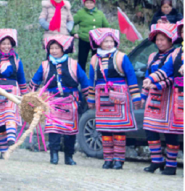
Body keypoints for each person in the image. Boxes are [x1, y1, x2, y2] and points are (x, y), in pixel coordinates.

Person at [29, 34, 90, 166]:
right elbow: (35, 81)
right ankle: (54, 155)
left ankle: (69, 156)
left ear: (63, 49)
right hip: (51, 101)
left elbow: (84, 81)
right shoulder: (45, 65)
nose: (54, 51)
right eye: (51, 48)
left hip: (70, 100)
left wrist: (88, 98)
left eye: (57, 48)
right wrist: (30, 96)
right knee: (53, 130)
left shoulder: (73, 64)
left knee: (70, 132)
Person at [87, 28, 142, 169]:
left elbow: (131, 76)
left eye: (111, 41)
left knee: (118, 129)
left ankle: (119, 159)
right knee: (105, 129)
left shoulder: (121, 57)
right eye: (106, 41)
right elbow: (91, 80)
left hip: (119, 96)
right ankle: (108, 159)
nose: (109, 44)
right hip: (102, 96)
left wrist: (136, 97)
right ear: (99, 43)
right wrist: (91, 98)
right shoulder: (94, 59)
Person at [141, 22, 181, 175]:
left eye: (163, 39)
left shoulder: (176, 54)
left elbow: (173, 76)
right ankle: (156, 160)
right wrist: (143, 95)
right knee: (150, 130)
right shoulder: (152, 56)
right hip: (153, 98)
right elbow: (147, 75)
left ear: (171, 40)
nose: (159, 42)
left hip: (170, 97)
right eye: (157, 39)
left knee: (170, 132)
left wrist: (157, 84)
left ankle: (171, 165)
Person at [0, 29, 28, 158]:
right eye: (4, 44)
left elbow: (21, 78)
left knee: (10, 115)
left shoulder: (16, 59)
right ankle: (4, 151)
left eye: (9, 44)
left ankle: (11, 138)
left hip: (12, 92)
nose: (6, 46)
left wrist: (25, 95)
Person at [72, 0, 109, 72]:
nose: (89, 4)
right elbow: (71, 23)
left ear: (94, 3)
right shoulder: (80, 13)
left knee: (96, 60)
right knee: (82, 60)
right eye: (87, 3)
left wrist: (106, 36)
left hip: (97, 41)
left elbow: (107, 26)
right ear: (84, 4)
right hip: (84, 39)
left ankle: (96, 76)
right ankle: (81, 79)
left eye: (91, 3)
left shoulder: (100, 14)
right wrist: (74, 33)